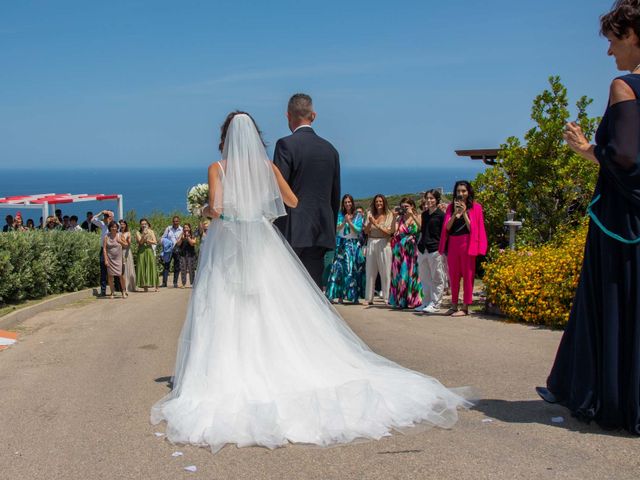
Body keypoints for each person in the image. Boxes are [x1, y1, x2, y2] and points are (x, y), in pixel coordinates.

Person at [150, 112, 470, 453]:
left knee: (225, 303)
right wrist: (258, 203)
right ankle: (279, 362)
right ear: (254, 136)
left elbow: (214, 209)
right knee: (270, 302)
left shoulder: (218, 168)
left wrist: (205, 209)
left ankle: (228, 371)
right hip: (261, 240)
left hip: (229, 242)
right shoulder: (266, 168)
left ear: (225, 137)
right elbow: (292, 201)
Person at [537, 0, 640, 435]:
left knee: (613, 301)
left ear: (633, 36)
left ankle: (606, 396)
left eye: (614, 41)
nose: (610, 53)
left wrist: (586, 149)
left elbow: (625, 158)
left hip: (622, 222)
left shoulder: (625, 86)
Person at [273, 94, 341, 288]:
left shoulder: (285, 145)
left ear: (288, 116)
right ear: (313, 115)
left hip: (293, 231)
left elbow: (279, 190)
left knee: (290, 291)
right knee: (314, 291)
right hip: (321, 231)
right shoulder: (331, 150)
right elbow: (334, 196)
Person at [438, 181, 487, 317]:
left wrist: (465, 213)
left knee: (468, 275)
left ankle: (465, 307)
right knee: (453, 276)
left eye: (464, 191)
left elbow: (474, 229)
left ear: (468, 192)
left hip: (467, 243)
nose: (461, 194)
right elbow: (447, 228)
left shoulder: (476, 208)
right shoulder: (450, 208)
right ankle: (454, 305)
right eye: (458, 191)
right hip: (453, 243)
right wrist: (455, 214)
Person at [325, 194, 364, 304]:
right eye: (346, 202)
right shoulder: (340, 215)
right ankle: (336, 295)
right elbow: (336, 229)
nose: (348, 204)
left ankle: (352, 296)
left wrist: (350, 222)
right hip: (341, 244)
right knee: (338, 269)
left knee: (351, 270)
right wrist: (344, 222)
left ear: (352, 203)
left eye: (349, 202)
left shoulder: (358, 216)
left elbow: (358, 230)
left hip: (352, 245)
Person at [416, 190, 447, 314]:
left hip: (435, 250)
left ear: (437, 200)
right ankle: (426, 302)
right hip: (423, 249)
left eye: (432, 198)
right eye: (427, 198)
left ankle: (435, 304)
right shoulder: (424, 215)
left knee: (437, 277)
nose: (429, 201)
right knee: (424, 278)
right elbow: (423, 231)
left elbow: (444, 234)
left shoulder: (441, 215)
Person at [389, 198, 423, 309]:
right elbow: (394, 232)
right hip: (400, 250)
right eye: (402, 206)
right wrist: (394, 217)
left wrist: (412, 215)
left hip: (412, 249)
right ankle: (400, 300)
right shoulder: (399, 218)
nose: (404, 208)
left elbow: (421, 228)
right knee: (400, 274)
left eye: (406, 206)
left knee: (412, 273)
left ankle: (413, 300)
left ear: (412, 206)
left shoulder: (417, 216)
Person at [363, 194, 394, 305]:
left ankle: (386, 297)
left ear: (384, 202)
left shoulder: (389, 215)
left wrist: (375, 223)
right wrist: (370, 223)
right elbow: (366, 231)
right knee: (370, 271)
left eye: (380, 201)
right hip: (371, 241)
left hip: (384, 243)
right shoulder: (370, 215)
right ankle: (369, 298)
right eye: (376, 201)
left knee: (385, 271)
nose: (378, 203)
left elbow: (388, 233)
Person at [92, 210, 115, 296]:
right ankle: (103, 290)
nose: (106, 218)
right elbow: (93, 220)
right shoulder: (102, 225)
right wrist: (101, 212)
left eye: (107, 216)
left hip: (112, 250)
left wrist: (110, 219)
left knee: (114, 269)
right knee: (103, 270)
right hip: (103, 249)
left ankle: (117, 288)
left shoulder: (114, 226)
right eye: (105, 217)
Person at [103, 221, 128, 299]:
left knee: (121, 275)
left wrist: (120, 241)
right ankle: (112, 292)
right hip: (110, 258)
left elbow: (126, 245)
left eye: (115, 227)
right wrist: (106, 260)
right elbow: (104, 249)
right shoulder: (106, 236)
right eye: (112, 227)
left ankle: (123, 291)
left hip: (119, 258)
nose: (114, 228)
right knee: (110, 276)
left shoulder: (120, 235)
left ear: (117, 228)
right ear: (109, 228)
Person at [136, 218, 159, 292]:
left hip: (149, 250)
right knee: (143, 267)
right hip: (142, 251)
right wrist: (144, 235)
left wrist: (149, 241)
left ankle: (156, 285)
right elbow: (140, 242)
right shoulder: (138, 232)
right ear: (140, 225)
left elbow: (155, 242)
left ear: (147, 224)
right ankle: (145, 286)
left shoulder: (151, 231)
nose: (143, 225)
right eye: (142, 224)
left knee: (152, 266)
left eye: (145, 224)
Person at [161, 216, 183, 288]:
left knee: (177, 266)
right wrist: (166, 243)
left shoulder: (182, 229)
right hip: (168, 250)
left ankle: (175, 283)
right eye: (174, 221)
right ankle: (164, 283)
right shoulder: (168, 228)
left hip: (177, 250)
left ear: (179, 221)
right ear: (172, 222)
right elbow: (163, 238)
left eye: (177, 221)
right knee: (166, 266)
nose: (175, 222)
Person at [176, 223, 197, 287]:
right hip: (183, 254)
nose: (185, 229)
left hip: (191, 254)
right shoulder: (181, 235)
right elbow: (178, 244)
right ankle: (183, 283)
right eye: (184, 228)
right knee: (183, 269)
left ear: (189, 228)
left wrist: (188, 237)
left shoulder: (193, 235)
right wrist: (181, 238)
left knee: (191, 269)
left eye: (187, 227)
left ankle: (192, 283)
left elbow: (193, 243)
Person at [119, 219, 137, 293]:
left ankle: (130, 286)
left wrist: (124, 239)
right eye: (121, 224)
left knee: (128, 267)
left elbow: (128, 243)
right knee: (122, 269)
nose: (122, 225)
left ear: (125, 225)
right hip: (119, 252)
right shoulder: (118, 233)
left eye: (123, 224)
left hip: (126, 252)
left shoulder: (128, 233)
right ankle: (123, 286)